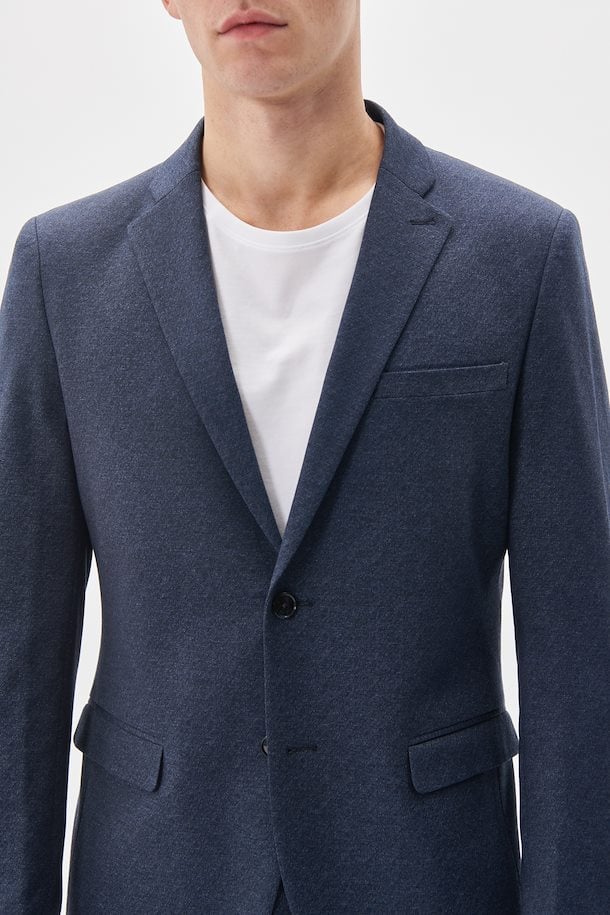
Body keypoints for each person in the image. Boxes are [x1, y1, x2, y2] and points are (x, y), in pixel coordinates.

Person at [1, 2, 608, 913]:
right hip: (156, 875)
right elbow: (17, 661)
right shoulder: (65, 274)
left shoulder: (520, 258)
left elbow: (580, 667)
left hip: (425, 877)